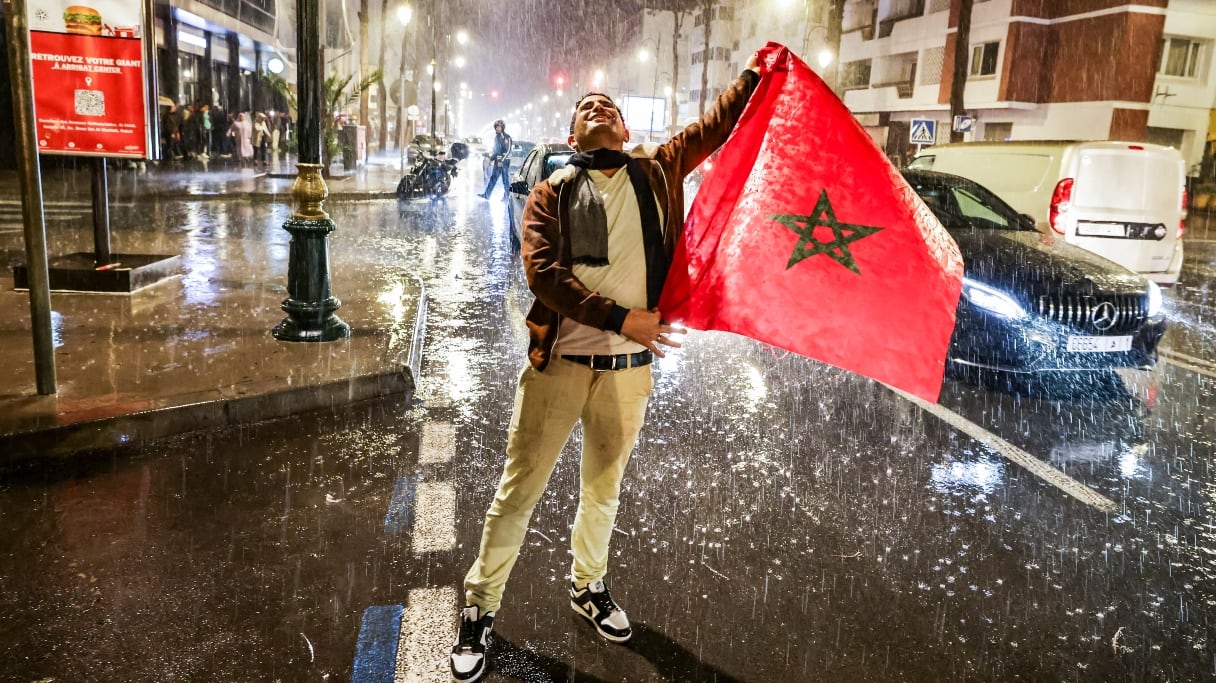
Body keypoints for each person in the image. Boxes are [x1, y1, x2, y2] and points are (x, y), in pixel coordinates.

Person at [449, 52, 762, 682]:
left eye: (609, 106)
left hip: (627, 372)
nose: (599, 106)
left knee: (603, 491)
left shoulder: (658, 170)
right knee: (520, 490)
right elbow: (544, 276)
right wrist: (625, 318)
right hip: (560, 364)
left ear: (624, 130)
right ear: (572, 138)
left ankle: (587, 586)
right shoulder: (552, 192)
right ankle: (480, 610)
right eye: (587, 107)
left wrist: (757, 73)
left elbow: (718, 125)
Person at [477, 119, 513, 200]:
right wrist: (491, 159)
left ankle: (507, 197)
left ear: (502, 127)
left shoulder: (507, 137)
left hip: (504, 162)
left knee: (505, 180)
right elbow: (496, 150)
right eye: (496, 127)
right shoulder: (496, 137)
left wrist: (501, 161)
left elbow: (508, 151)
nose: (497, 128)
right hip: (498, 162)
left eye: (499, 126)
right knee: (493, 178)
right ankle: (487, 195)